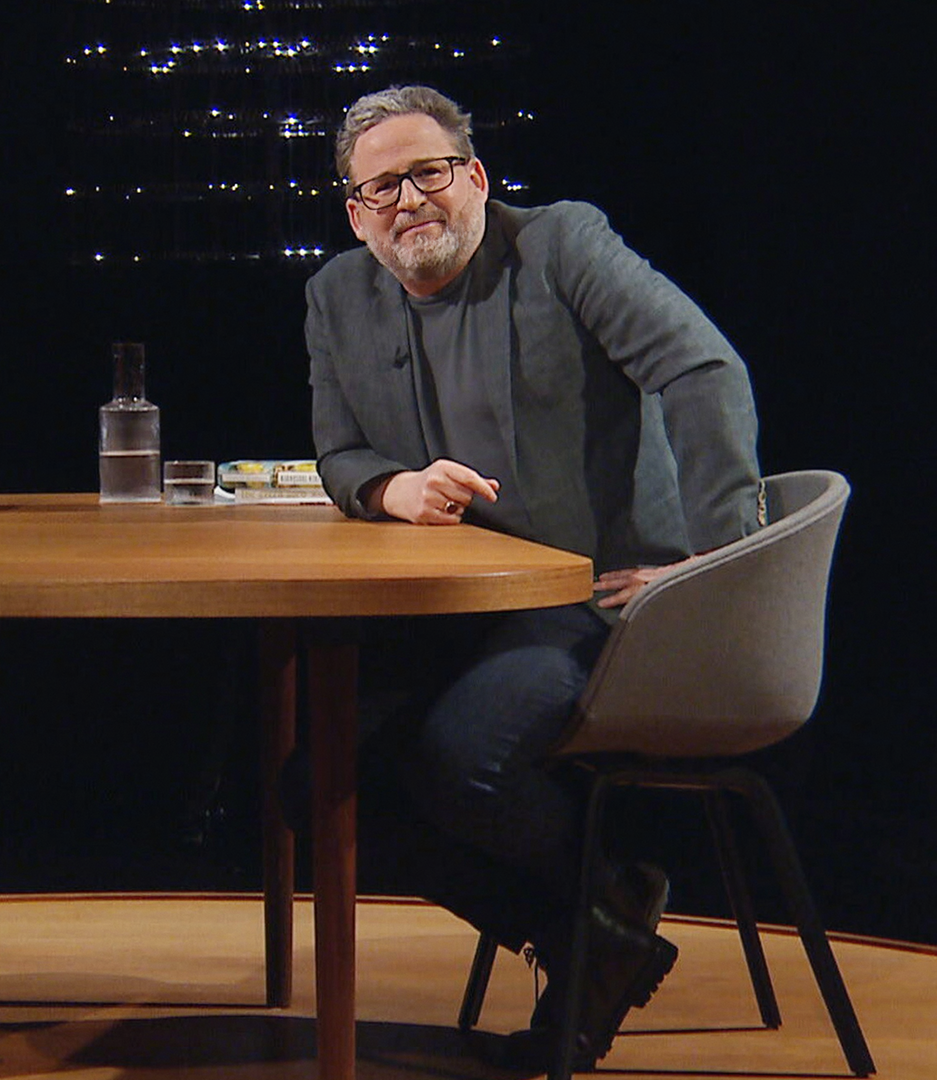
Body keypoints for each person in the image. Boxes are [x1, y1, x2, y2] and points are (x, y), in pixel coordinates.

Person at [304, 86, 764, 1069]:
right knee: (316, 783)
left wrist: (725, 568)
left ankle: (597, 928)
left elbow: (702, 369)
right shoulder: (337, 293)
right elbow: (337, 452)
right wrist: (392, 487)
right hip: (454, 606)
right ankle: (594, 927)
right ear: (354, 211)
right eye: (380, 186)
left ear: (473, 177)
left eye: (428, 171)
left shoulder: (561, 246)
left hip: (600, 594)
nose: (407, 200)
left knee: (466, 756)